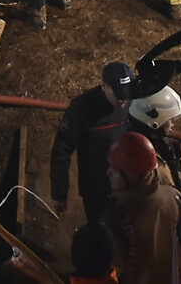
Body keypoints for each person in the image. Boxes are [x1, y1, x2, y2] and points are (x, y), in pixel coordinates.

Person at [50, 61, 135, 225]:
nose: (124, 100)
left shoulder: (134, 100)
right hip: (97, 190)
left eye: (127, 92)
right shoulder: (82, 108)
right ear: (104, 85)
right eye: (118, 94)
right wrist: (60, 192)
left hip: (128, 185)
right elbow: (63, 148)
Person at [106, 132, 181, 284]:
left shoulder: (118, 216)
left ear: (134, 174)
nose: (109, 173)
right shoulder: (175, 196)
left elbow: (112, 271)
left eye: (116, 170)